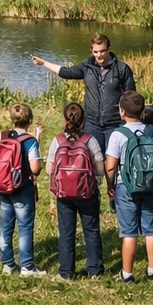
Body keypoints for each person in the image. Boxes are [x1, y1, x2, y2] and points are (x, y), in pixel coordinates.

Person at [31, 34, 137, 147]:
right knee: (92, 156)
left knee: (113, 157)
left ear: (109, 49)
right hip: (92, 125)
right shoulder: (87, 66)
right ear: (91, 51)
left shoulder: (122, 69)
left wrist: (131, 121)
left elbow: (131, 97)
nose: (99, 55)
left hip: (115, 124)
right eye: (95, 52)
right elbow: (67, 72)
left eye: (102, 51)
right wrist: (44, 63)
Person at [104, 90, 153, 282]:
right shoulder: (152, 131)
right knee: (151, 228)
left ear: (121, 111)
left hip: (126, 186)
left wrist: (110, 185)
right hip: (150, 185)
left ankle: (127, 273)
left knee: (128, 232)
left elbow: (110, 166)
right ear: (143, 111)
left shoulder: (118, 134)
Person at [43, 101, 105, 279]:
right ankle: (95, 270)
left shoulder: (57, 141)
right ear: (83, 120)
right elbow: (100, 170)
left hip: (64, 194)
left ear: (65, 120)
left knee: (66, 232)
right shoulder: (90, 140)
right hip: (87, 192)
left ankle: (66, 272)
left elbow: (49, 169)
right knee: (91, 230)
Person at [0, 103, 44, 277]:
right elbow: (35, 169)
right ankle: (27, 266)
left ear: (12, 119)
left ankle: (7, 264)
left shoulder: (2, 136)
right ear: (29, 120)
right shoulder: (30, 141)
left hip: (3, 186)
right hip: (22, 187)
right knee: (24, 227)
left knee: (5, 226)